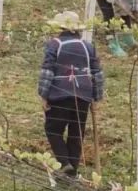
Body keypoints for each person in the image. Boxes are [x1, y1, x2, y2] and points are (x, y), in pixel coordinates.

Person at [37, 11, 104, 177]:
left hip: (59, 95)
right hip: (83, 95)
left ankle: (64, 162)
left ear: (60, 28)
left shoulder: (55, 44)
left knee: (53, 128)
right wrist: (96, 96)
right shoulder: (88, 47)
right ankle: (71, 172)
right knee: (76, 133)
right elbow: (97, 73)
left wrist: (43, 95)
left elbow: (47, 71)